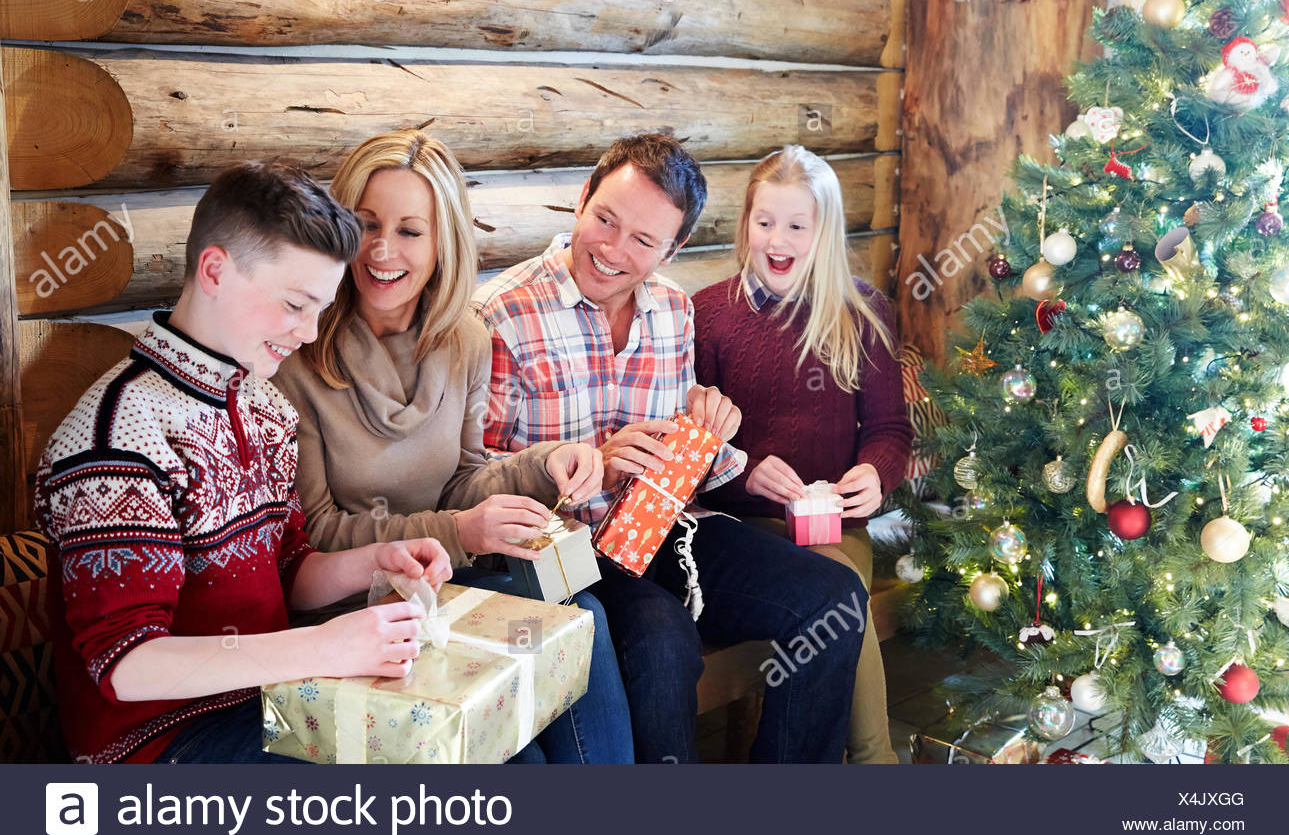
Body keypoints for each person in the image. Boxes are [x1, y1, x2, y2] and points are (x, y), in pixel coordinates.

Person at [33, 162, 452, 764]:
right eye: (293, 304)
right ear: (214, 271)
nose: (309, 333)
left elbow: (289, 571)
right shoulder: (116, 436)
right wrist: (321, 649)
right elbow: (127, 665)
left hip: (269, 708)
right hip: (160, 748)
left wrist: (374, 562)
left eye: (319, 309)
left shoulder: (267, 408)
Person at [471, 133, 865, 763]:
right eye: (606, 219)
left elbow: (687, 465)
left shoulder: (673, 312)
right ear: (582, 200)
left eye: (644, 241)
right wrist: (592, 458)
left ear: (674, 247)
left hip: (660, 532)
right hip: (563, 556)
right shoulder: (503, 315)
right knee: (661, 636)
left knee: (834, 597)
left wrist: (713, 435)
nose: (612, 250)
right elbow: (471, 483)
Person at [272, 129, 634, 763]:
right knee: (520, 756)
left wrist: (543, 468)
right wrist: (462, 530)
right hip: (348, 617)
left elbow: (463, 479)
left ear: (443, 244)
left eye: (411, 231)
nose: (382, 250)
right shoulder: (296, 350)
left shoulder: (464, 336)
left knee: (585, 621)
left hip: (442, 593)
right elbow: (315, 536)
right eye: (366, 224)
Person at [692, 145, 914, 764]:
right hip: (743, 531)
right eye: (765, 222)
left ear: (824, 231)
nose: (778, 240)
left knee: (836, 575)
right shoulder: (706, 317)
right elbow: (693, 458)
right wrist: (744, 474)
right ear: (745, 226)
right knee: (835, 591)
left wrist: (877, 472)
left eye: (797, 225)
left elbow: (890, 428)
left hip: (834, 528)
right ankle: (875, 765)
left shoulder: (863, 311)